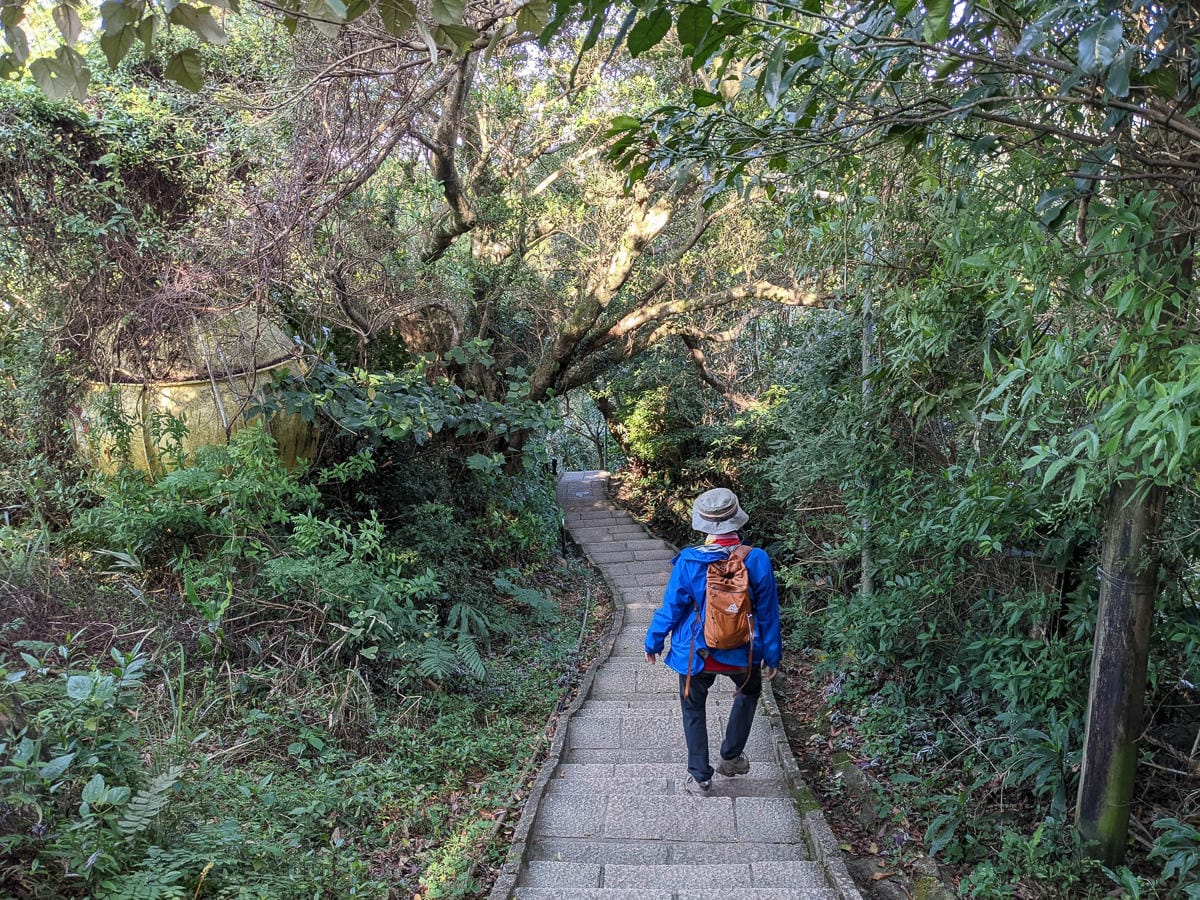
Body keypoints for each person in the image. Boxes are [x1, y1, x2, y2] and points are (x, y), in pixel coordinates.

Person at [643, 487, 782, 795]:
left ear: (704, 525)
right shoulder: (757, 559)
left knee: (693, 708)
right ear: (737, 521)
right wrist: (772, 655)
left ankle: (700, 775)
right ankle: (731, 757)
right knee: (748, 693)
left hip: (696, 652)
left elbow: (671, 609)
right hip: (743, 652)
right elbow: (769, 613)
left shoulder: (689, 562)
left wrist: (653, 642)